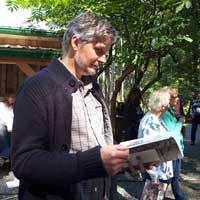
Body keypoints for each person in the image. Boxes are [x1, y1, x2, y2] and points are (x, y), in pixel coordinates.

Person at [11, 12, 130, 200]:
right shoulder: (37, 87)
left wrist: (126, 160)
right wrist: (93, 162)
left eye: (106, 53)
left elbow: (99, 146)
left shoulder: (93, 87)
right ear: (76, 43)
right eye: (99, 50)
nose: (104, 59)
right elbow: (24, 162)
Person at [138, 89, 174, 199]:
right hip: (156, 174)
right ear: (163, 105)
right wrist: (154, 177)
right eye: (168, 101)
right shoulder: (151, 122)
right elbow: (148, 153)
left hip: (160, 171)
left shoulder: (155, 118)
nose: (169, 104)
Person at [161, 87, 185, 200]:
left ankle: (179, 197)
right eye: (175, 97)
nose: (178, 99)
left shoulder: (170, 111)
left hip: (176, 150)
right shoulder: (164, 114)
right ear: (168, 98)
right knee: (166, 180)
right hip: (171, 151)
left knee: (175, 178)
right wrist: (180, 123)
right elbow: (172, 135)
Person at [0, 92, 15, 166]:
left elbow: (10, 128)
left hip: (8, 131)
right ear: (7, 97)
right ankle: (4, 155)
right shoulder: (1, 105)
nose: (12, 99)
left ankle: (3, 156)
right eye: (11, 97)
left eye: (14, 97)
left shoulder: (13, 111)